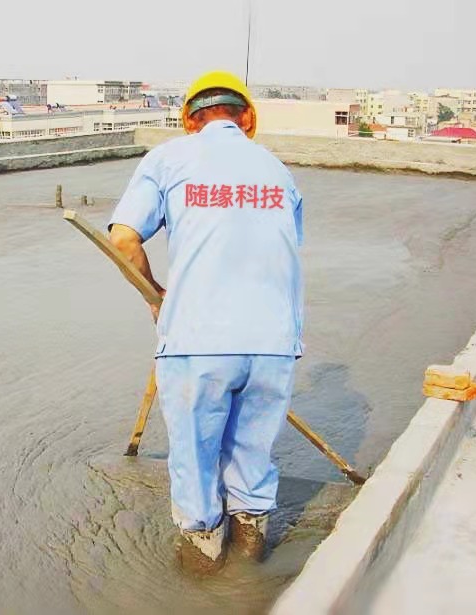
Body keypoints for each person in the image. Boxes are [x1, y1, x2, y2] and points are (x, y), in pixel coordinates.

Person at [108, 70, 304, 567]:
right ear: (247, 118)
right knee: (251, 459)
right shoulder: (279, 171)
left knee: (195, 463)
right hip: (273, 342)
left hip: (197, 338)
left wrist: (155, 295)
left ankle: (202, 566)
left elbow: (124, 239)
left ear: (189, 121)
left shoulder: (169, 158)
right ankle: (250, 561)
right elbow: (282, 250)